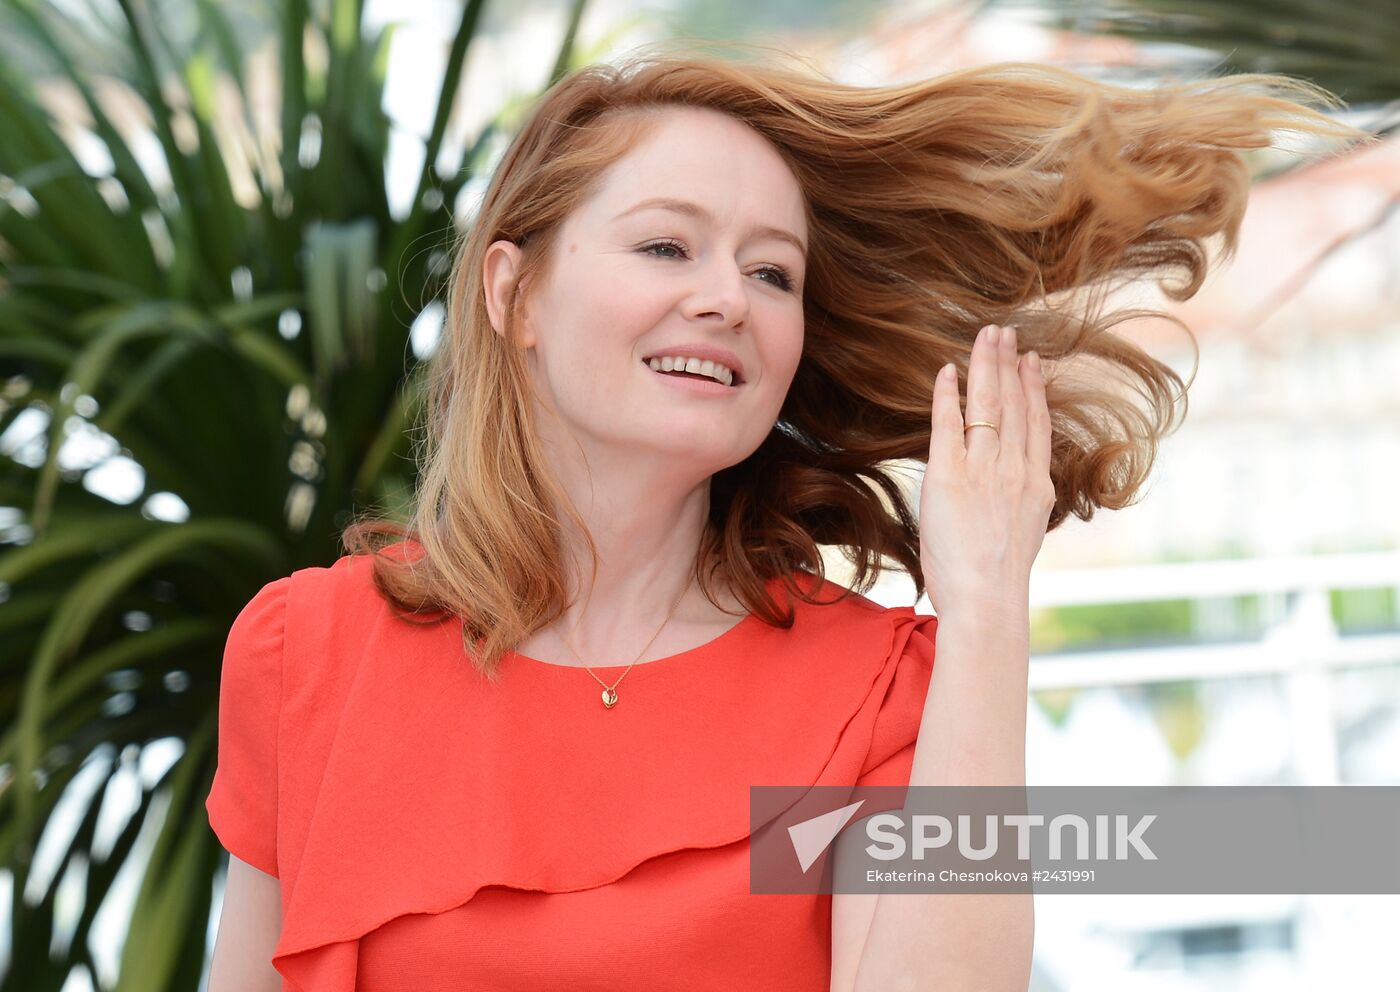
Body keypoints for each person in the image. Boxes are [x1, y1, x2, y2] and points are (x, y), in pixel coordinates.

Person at [205, 43, 1362, 992]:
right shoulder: (302, 652)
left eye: (772, 274)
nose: (724, 297)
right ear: (514, 294)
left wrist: (987, 604)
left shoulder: (872, 692)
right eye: (666, 245)